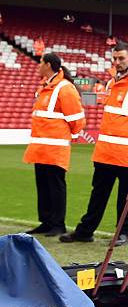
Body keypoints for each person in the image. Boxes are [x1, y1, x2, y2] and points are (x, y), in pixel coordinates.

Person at [60, 43, 128, 246]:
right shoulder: (112, 84)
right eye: (115, 59)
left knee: (126, 198)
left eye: (121, 58)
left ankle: (124, 233)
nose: (117, 62)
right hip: (105, 153)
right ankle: (85, 231)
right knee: (98, 195)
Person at [23, 53, 85, 237]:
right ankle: (46, 221)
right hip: (41, 148)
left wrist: (66, 136)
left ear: (48, 65)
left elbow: (77, 120)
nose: (38, 66)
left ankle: (58, 224)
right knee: (43, 186)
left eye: (40, 63)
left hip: (55, 149)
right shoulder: (46, 87)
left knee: (56, 186)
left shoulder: (65, 88)